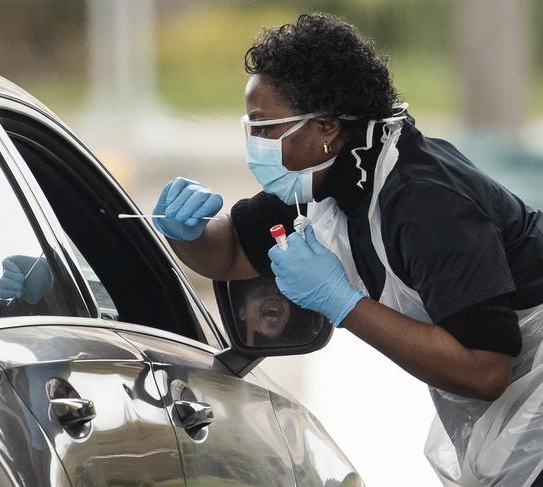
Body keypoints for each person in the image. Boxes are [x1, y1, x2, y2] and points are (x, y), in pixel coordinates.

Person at [151, 12, 543, 486]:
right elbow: (231, 253)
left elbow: (485, 369)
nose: (253, 145)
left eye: (264, 128)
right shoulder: (324, 181)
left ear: (326, 129)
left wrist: (343, 304)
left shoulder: (424, 201)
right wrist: (186, 231)